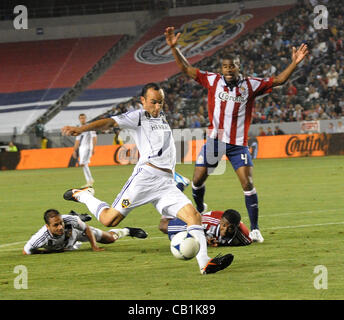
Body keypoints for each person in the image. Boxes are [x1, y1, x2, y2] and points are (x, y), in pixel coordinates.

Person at [61, 83, 234, 275]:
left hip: (166, 184)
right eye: (153, 102)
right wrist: (81, 129)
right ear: (143, 101)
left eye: (160, 102)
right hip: (146, 178)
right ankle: (83, 195)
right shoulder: (138, 116)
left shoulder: (161, 117)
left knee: (194, 216)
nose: (157, 107)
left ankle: (205, 264)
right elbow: (109, 122)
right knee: (109, 220)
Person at [165, 26, 308, 243]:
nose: (228, 69)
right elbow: (187, 69)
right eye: (225, 66)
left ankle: (256, 228)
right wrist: (175, 49)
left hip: (238, 144)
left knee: (247, 183)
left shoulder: (251, 84)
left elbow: (278, 81)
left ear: (238, 67)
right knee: (197, 180)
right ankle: (201, 208)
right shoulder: (212, 80)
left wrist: (295, 63)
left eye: (232, 66)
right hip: (215, 141)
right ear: (221, 69)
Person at [23, 209, 147, 255]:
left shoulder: (68, 221)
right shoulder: (40, 237)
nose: (60, 227)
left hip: (77, 232)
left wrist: (94, 246)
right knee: (71, 248)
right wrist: (46, 252)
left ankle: (127, 231)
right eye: (56, 225)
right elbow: (26, 250)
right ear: (47, 226)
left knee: (110, 239)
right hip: (68, 243)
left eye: (61, 223)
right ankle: (79, 218)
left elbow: (87, 228)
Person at [159, 209, 252, 247]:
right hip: (197, 221)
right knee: (163, 226)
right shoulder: (208, 223)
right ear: (220, 222)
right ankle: (178, 187)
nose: (225, 230)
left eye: (230, 228)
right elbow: (195, 227)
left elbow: (248, 241)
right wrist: (204, 239)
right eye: (224, 226)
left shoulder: (243, 234)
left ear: (236, 227)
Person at [72, 114, 97, 187]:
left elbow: (94, 137)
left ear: (86, 118)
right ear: (79, 119)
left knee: (82, 163)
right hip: (81, 148)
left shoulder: (90, 127)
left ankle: (90, 180)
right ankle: (89, 181)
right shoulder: (79, 128)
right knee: (83, 164)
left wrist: (93, 148)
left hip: (88, 147)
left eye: (83, 118)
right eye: (81, 118)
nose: (82, 119)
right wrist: (74, 150)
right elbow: (77, 140)